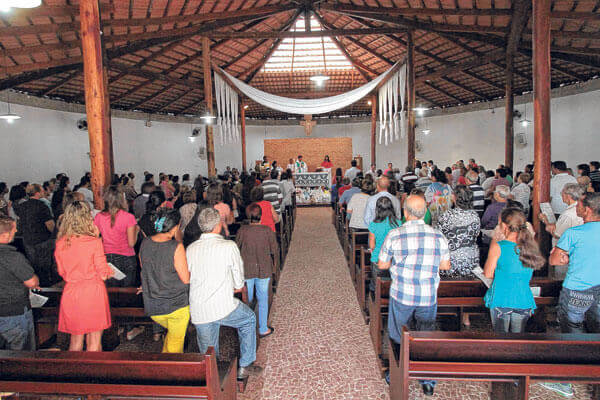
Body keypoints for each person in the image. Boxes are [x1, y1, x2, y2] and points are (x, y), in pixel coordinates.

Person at [378, 195, 450, 396]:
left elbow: (382, 264)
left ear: (405, 213)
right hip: (427, 295)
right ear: (425, 212)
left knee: (398, 334)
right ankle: (427, 379)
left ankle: (398, 374)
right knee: (425, 334)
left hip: (402, 294)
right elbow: (445, 266)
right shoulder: (438, 236)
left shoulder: (395, 234)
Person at [188, 208, 261, 380]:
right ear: (218, 225)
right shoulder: (228, 246)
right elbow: (238, 283)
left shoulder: (191, 248)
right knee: (249, 319)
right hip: (223, 306)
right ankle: (245, 365)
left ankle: (213, 381)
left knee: (209, 354)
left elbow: (190, 276)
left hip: (200, 309)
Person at [543, 192, 600, 397]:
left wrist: (568, 256)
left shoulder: (574, 233)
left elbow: (555, 261)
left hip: (577, 289)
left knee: (571, 332)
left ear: (588, 210)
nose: (576, 207)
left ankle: (567, 381)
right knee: (597, 331)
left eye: (580, 205)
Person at [55, 201, 114, 351]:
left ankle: (76, 374)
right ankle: (94, 374)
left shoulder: (61, 242)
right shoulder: (93, 242)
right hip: (92, 292)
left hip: (71, 292)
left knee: (75, 341)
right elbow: (103, 274)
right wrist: (108, 271)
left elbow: (62, 272)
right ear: (87, 217)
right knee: (94, 341)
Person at [483, 209, 545, 330]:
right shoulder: (531, 246)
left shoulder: (498, 246)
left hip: (501, 298)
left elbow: (488, 273)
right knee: (518, 339)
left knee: (501, 340)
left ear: (505, 226)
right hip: (523, 298)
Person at [93, 186, 141, 340]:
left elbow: (95, 236)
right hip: (126, 258)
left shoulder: (99, 217)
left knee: (112, 294)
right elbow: (132, 242)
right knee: (127, 294)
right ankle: (129, 328)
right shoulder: (128, 217)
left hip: (107, 258)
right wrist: (137, 230)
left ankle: (115, 325)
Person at [139, 209, 190, 353]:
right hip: (175, 306)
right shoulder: (176, 247)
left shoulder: (145, 243)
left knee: (171, 339)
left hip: (153, 306)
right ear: (175, 227)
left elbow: (146, 269)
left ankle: (164, 366)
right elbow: (185, 279)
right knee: (175, 345)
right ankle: (171, 373)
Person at [236, 203, 278, 338]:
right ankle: (262, 328)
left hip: (246, 269)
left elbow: (236, 249)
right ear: (261, 215)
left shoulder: (242, 230)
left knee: (247, 300)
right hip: (264, 268)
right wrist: (274, 267)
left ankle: (247, 329)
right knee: (263, 298)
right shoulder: (267, 230)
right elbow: (274, 250)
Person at [0, 214, 40, 350]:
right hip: (14, 311)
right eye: (14, 229)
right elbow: (31, 282)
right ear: (5, 234)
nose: (16, 231)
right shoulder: (13, 257)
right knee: (20, 354)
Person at [13, 183, 56, 285]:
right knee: (45, 265)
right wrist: (55, 234)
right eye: (41, 190)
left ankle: (36, 284)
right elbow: (49, 224)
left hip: (28, 239)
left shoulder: (21, 206)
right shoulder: (42, 206)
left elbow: (20, 222)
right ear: (37, 193)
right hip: (43, 239)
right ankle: (46, 285)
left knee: (33, 265)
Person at [437, 185, 480, 279]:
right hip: (471, 262)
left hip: (450, 263)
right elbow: (476, 235)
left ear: (454, 197)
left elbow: (439, 237)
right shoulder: (475, 216)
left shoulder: (446, 216)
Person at [368, 197, 402, 291]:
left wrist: (372, 250)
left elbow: (372, 245)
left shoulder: (373, 225)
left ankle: (374, 295)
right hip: (394, 260)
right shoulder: (399, 223)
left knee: (376, 284)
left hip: (378, 260)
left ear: (377, 209)